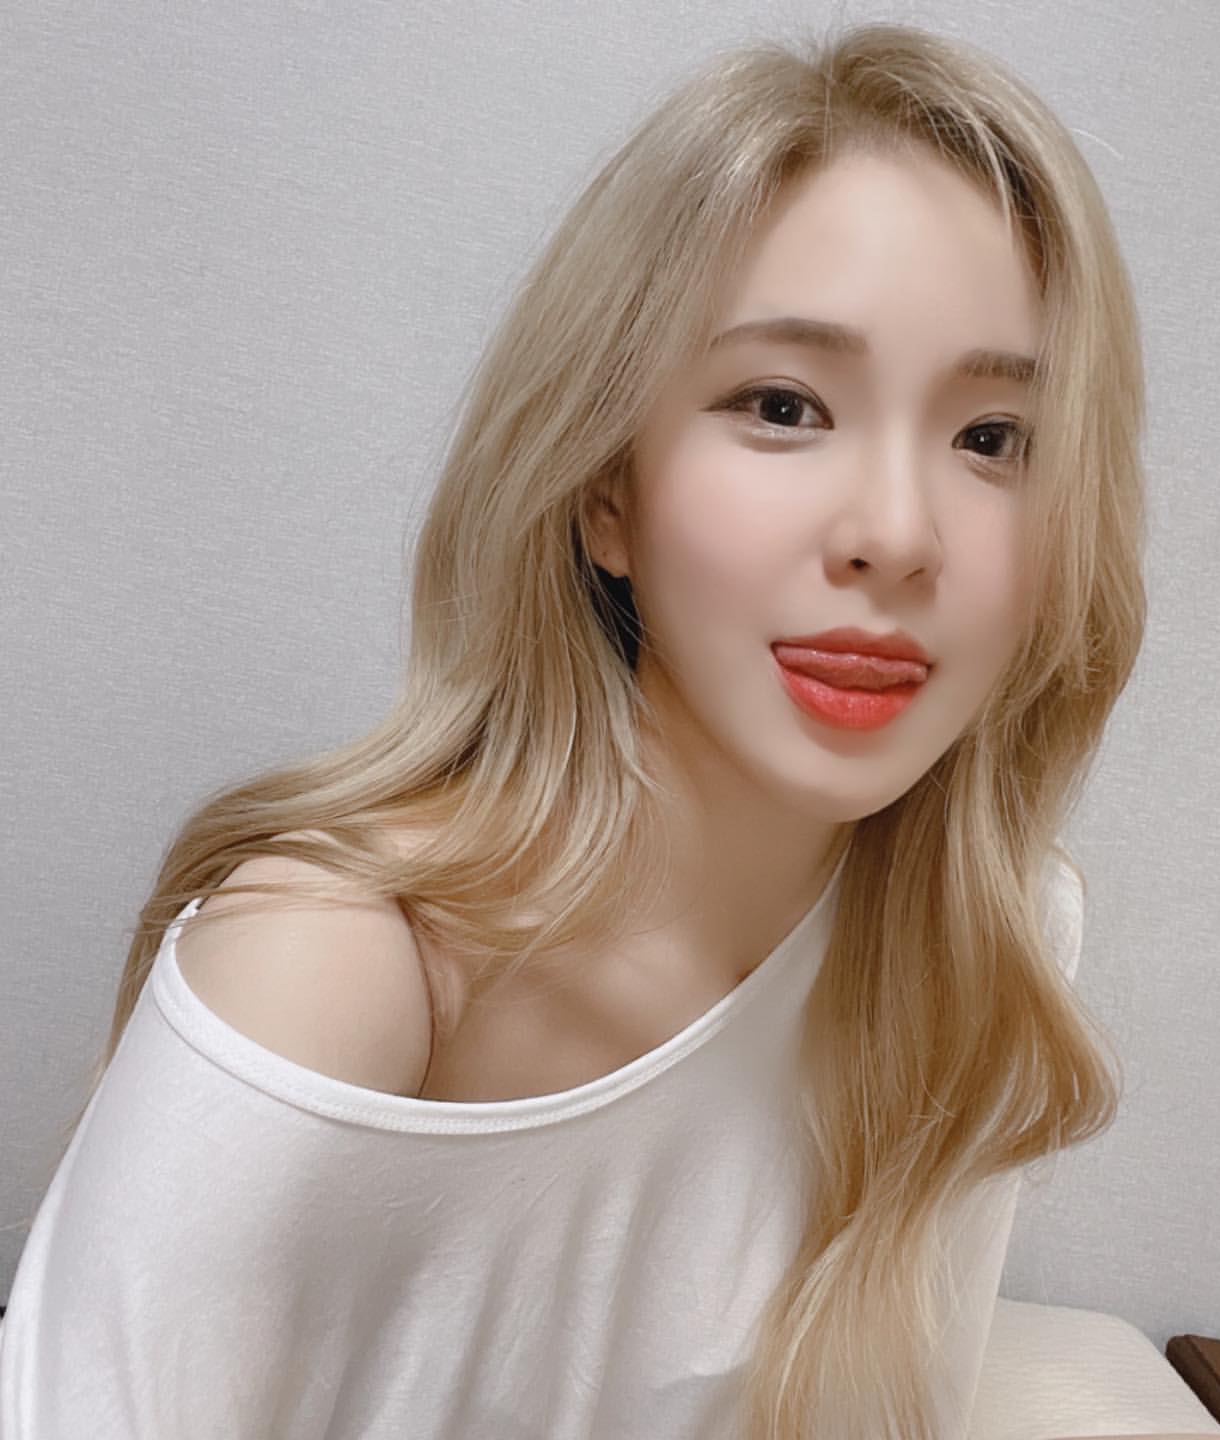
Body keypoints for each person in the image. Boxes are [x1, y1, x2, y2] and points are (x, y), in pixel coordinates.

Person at [0, 19, 1160, 1440]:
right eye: (784, 406)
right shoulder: (329, 975)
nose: (897, 534)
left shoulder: (988, 940)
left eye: (994, 439)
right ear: (608, 491)